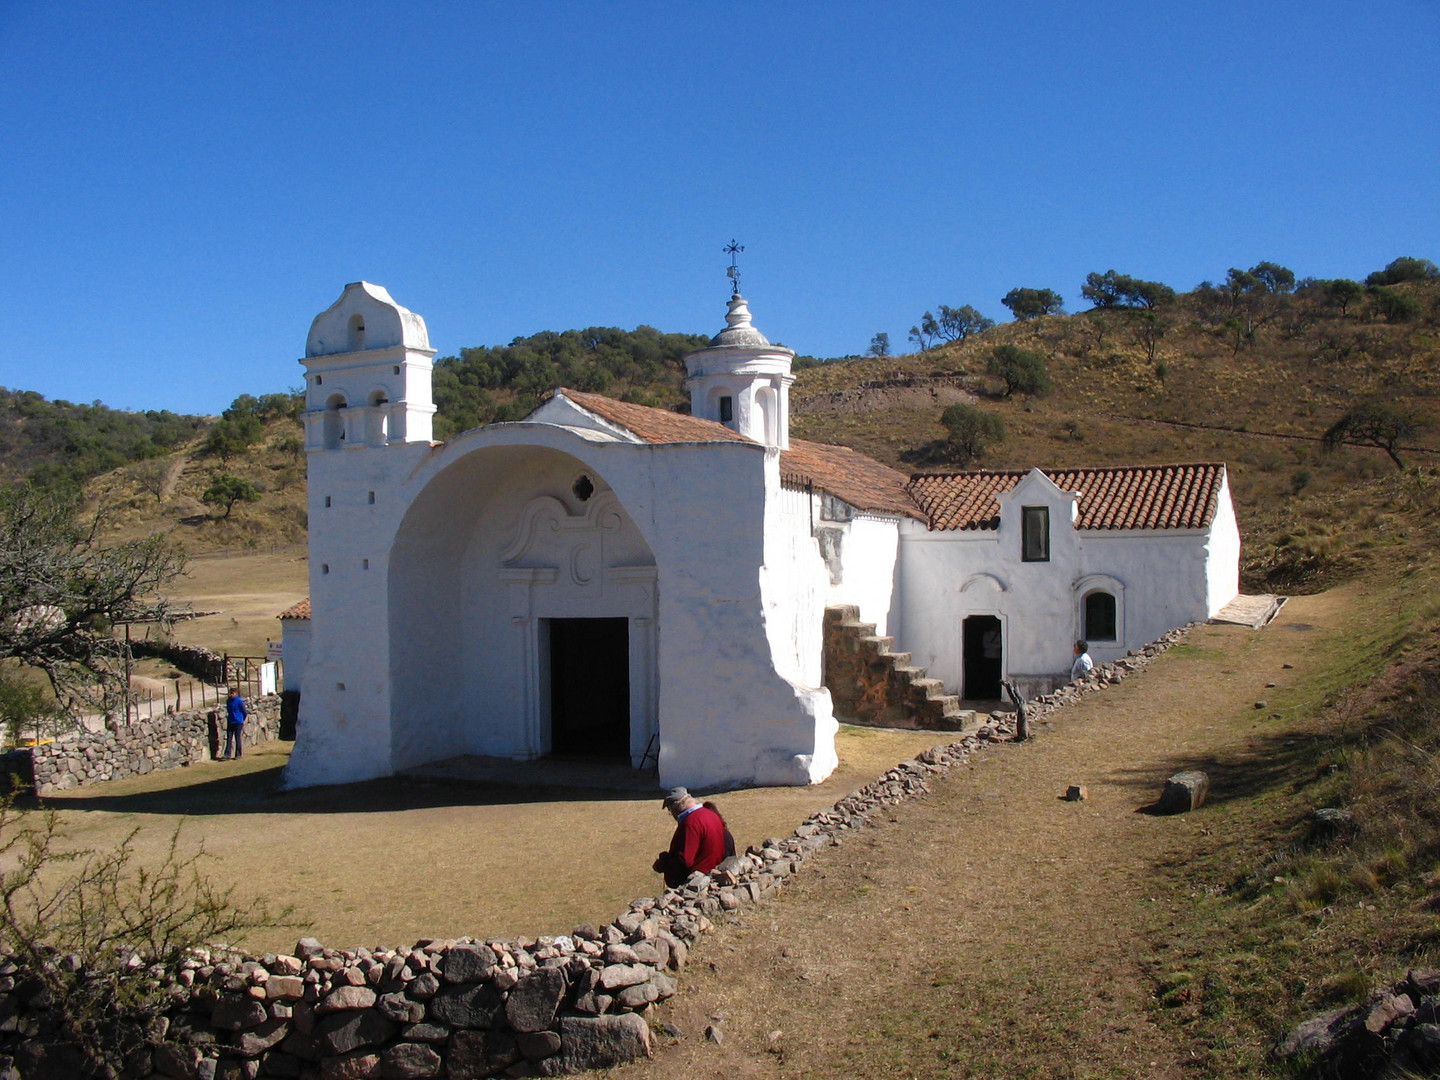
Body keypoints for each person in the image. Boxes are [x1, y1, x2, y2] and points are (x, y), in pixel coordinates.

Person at [652, 787, 727, 887]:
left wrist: (665, 864)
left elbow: (684, 860)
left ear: (675, 808)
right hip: (713, 877)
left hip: (697, 883)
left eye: (670, 811)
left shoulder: (691, 823)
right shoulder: (711, 815)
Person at [224, 688, 247, 759]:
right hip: (231, 721)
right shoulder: (228, 701)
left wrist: (242, 720)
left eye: (232, 693)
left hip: (238, 722)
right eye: (230, 693)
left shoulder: (239, 701)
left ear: (235, 693)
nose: (231, 695)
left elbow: (244, 712)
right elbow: (228, 710)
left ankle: (238, 754)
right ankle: (227, 754)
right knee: (229, 738)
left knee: (237, 738)